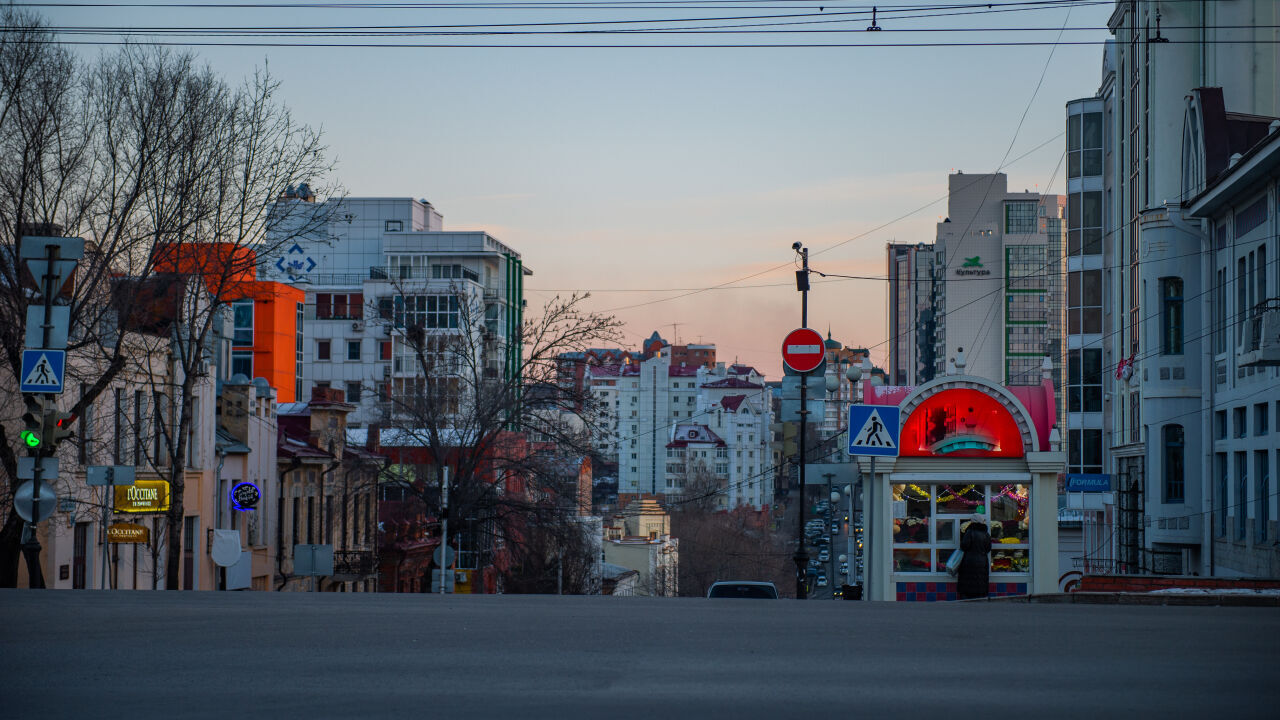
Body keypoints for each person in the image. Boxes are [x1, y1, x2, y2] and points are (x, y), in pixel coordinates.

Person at [957, 509, 991, 600]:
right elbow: (988, 548)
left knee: (968, 581)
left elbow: (964, 546)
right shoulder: (985, 534)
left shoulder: (970, 532)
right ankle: (979, 596)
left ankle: (967, 596)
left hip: (969, 561)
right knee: (980, 581)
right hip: (982, 562)